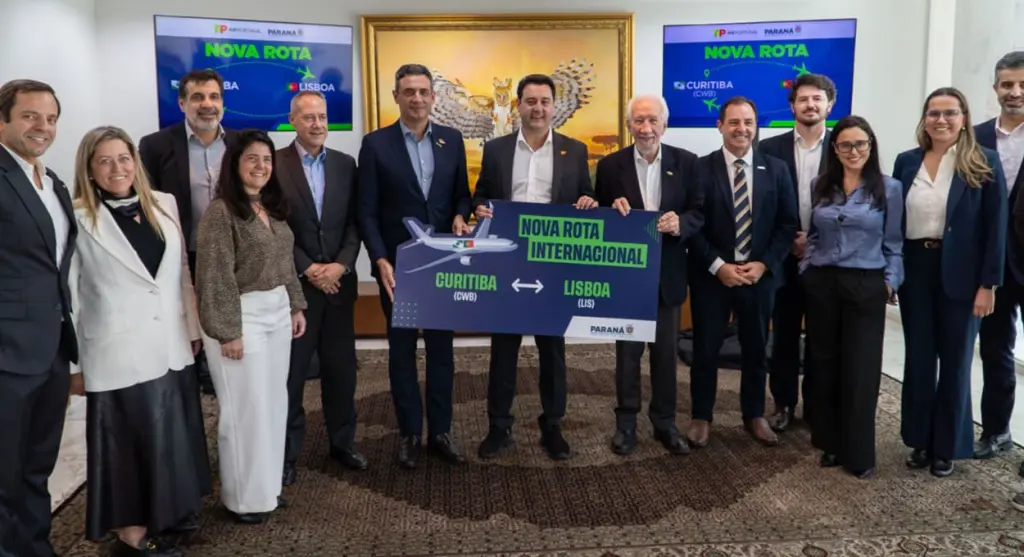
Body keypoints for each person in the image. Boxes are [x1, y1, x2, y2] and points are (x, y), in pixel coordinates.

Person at [68, 126, 203, 556]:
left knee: (168, 437)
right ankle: (130, 534)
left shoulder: (164, 203)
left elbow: (181, 274)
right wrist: (73, 365)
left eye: (124, 158)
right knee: (126, 445)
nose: (117, 168)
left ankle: (169, 515)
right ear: (89, 169)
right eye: (105, 161)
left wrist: (192, 328)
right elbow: (68, 296)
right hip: (115, 350)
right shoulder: (76, 217)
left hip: (170, 342)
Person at [471, 74, 598, 461]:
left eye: (544, 101)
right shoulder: (496, 150)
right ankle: (499, 425)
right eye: (530, 101)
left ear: (554, 106)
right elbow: (481, 194)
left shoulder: (575, 151)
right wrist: (479, 208)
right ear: (518, 106)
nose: (538, 108)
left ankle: (553, 424)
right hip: (508, 260)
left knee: (552, 348)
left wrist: (588, 202)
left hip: (553, 263)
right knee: (503, 347)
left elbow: (587, 194)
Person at [357, 63, 471, 469]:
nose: (417, 99)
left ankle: (440, 431)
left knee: (442, 350)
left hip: (442, 263)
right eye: (409, 91)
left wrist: (460, 215)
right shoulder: (375, 145)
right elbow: (366, 211)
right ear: (396, 96)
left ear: (433, 97)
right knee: (402, 352)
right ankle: (409, 432)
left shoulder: (452, 140)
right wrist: (379, 259)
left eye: (423, 91)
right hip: (398, 269)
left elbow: (462, 195)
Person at [195, 129, 307, 522]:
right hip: (241, 318)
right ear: (235, 164)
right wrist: (228, 331)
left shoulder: (270, 207)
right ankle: (242, 499)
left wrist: (295, 305)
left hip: (277, 313)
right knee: (246, 411)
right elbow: (214, 277)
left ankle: (266, 489)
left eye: (267, 159)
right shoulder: (221, 212)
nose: (261, 166)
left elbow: (285, 262)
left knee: (273, 405)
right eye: (252, 159)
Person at [895, 87, 1007, 478]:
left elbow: (996, 227)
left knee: (957, 362)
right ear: (924, 119)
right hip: (915, 270)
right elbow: (893, 221)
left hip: (963, 275)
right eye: (933, 113)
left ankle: (948, 446)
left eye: (950, 113)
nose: (941, 120)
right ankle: (921, 440)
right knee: (920, 360)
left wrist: (988, 284)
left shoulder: (984, 161)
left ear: (963, 118)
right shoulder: (906, 161)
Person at [138, 68, 238, 501]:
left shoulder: (240, 144)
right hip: (181, 265)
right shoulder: (155, 147)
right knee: (185, 358)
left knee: (231, 355)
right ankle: (188, 464)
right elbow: (144, 207)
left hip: (233, 265)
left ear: (223, 102)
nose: (206, 104)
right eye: (197, 97)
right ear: (182, 103)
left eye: (213, 96)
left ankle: (234, 455)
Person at [594, 94, 703, 456]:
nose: (646, 128)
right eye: (638, 121)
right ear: (629, 126)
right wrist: (610, 209)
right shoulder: (610, 166)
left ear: (664, 125)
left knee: (665, 355)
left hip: (668, 275)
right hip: (627, 278)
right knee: (627, 355)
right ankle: (626, 424)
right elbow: (597, 216)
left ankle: (664, 423)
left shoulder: (686, 162)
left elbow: (699, 212)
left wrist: (680, 223)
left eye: (652, 120)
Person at [686, 96, 798, 449]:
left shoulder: (776, 169)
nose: (741, 129)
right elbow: (693, 225)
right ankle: (701, 416)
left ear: (755, 126)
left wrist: (764, 264)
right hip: (712, 277)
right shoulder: (699, 168)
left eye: (748, 122)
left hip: (757, 277)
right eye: (734, 122)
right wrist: (718, 266)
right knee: (705, 350)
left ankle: (754, 414)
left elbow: (787, 225)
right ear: (719, 125)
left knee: (756, 350)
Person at [800, 115, 904, 479]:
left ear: (871, 146)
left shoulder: (889, 188)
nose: (853, 150)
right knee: (824, 365)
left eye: (860, 143)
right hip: (823, 284)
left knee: (860, 370)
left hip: (865, 284)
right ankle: (830, 442)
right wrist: (807, 268)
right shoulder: (820, 185)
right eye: (845, 144)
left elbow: (894, 243)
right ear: (835, 149)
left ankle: (858, 453)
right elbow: (814, 235)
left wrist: (889, 283)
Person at [0, 79, 79, 557]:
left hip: (51, 349)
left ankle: (34, 546)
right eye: (30, 116)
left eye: (50, 118)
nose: (42, 127)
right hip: (7, 353)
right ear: (3, 120)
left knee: (36, 465)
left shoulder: (54, 183)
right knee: (4, 471)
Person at [279, 90, 367, 485]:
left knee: (341, 370)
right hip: (297, 290)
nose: (317, 124)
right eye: (308, 117)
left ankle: (342, 443)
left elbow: (354, 222)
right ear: (293, 121)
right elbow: (275, 227)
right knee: (293, 375)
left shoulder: (346, 165)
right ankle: (287, 454)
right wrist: (309, 268)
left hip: (338, 286)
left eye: (322, 116)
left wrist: (340, 266)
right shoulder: (275, 164)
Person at [757, 73, 835, 432]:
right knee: (785, 336)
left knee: (822, 337)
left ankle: (817, 407)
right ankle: (783, 404)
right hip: (783, 257)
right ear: (792, 106)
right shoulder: (769, 148)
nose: (810, 105)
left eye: (817, 99)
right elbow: (761, 204)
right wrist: (788, 241)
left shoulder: (843, 145)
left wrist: (813, 242)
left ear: (829, 105)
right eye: (803, 99)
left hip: (827, 259)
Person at [974, 51, 1024, 461]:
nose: (1015, 91)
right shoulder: (974, 137)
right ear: (995, 88)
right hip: (991, 266)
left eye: (1022, 84)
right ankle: (996, 431)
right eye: (1007, 84)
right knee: (994, 352)